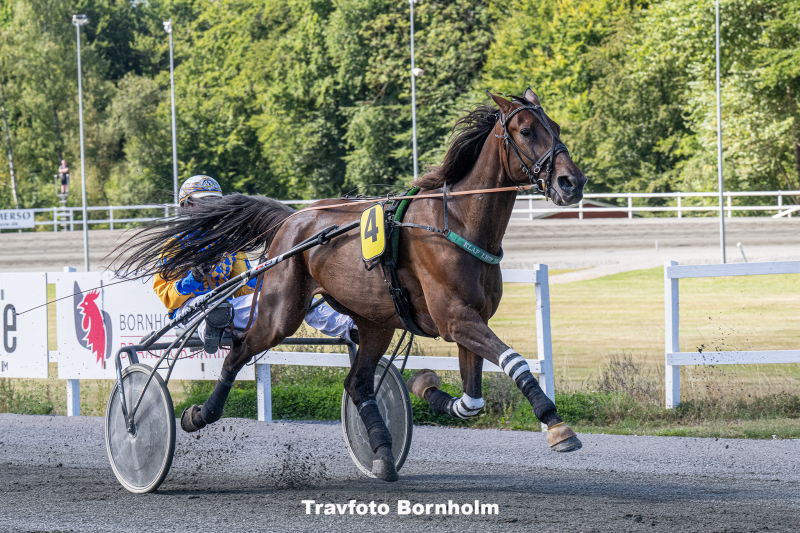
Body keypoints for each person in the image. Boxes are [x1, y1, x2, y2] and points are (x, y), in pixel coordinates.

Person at [153, 175, 358, 348]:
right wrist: (195, 278)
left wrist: (266, 274)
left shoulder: (228, 243)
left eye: (215, 202)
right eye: (204, 202)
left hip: (228, 307)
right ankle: (213, 326)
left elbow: (243, 289)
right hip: (190, 311)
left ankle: (349, 328)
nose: (213, 208)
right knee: (214, 307)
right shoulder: (175, 246)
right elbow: (168, 298)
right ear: (186, 206)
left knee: (293, 296)